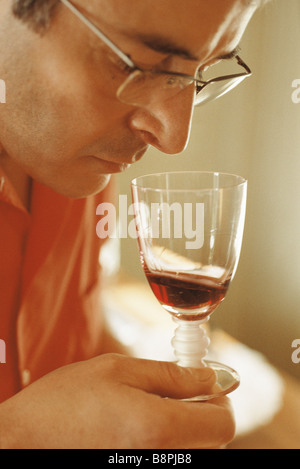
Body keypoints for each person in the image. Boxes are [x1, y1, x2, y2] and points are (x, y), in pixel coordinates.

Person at [0, 0, 267, 449]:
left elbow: (74, 338)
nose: (174, 137)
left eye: (201, 73)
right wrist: (17, 435)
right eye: (141, 68)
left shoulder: (79, 160)